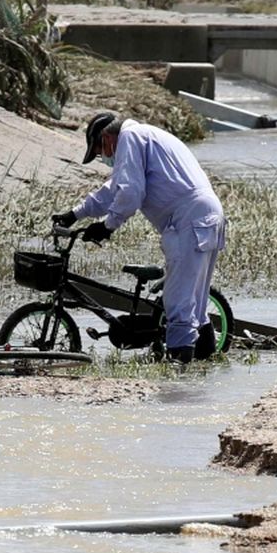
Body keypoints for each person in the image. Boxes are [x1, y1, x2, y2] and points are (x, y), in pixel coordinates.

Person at [53, 112, 226, 364]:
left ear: (108, 138)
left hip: (189, 220)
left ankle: (181, 386)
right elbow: (113, 191)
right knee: (196, 305)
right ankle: (205, 376)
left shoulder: (129, 137)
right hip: (207, 215)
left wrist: (107, 226)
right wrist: (74, 214)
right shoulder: (145, 136)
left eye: (101, 151)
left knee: (178, 303)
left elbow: (131, 193)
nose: (105, 158)